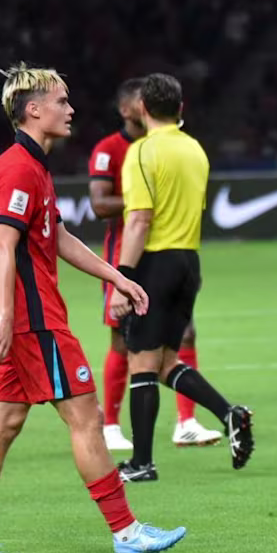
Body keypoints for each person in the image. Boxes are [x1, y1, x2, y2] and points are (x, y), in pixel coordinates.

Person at [0, 64, 185, 553]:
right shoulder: (18, 168)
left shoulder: (33, 167)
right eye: (61, 101)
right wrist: (8, 317)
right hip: (34, 323)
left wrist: (117, 276)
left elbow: (57, 237)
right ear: (33, 110)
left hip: (22, 322)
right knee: (87, 418)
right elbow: (3, 244)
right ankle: (127, 532)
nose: (70, 109)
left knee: (2, 423)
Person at [109, 73, 255, 482]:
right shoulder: (195, 150)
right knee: (166, 363)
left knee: (141, 362)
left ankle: (141, 464)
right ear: (180, 108)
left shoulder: (141, 151)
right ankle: (230, 414)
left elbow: (139, 219)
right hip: (188, 260)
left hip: (155, 262)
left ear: (142, 108)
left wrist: (123, 279)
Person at [88, 78, 222, 451]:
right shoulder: (113, 150)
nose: (139, 105)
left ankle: (186, 422)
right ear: (126, 109)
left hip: (166, 256)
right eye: (134, 100)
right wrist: (144, 199)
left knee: (184, 336)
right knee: (123, 342)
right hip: (125, 255)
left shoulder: (167, 149)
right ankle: (111, 426)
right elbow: (100, 205)